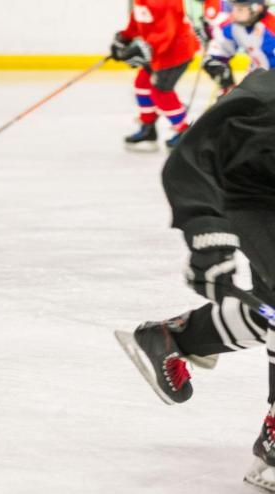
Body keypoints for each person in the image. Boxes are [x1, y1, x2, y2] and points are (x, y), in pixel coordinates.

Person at [114, 68, 275, 491]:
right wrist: (209, 238)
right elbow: (190, 159)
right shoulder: (265, 100)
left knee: (268, 312)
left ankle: (176, 338)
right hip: (248, 195)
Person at [110, 0, 199, 151]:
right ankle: (148, 127)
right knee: (142, 83)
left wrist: (143, 50)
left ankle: (183, 130)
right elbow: (140, 17)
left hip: (176, 51)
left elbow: (166, 32)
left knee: (161, 90)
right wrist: (125, 37)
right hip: (157, 51)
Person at [202, 0, 275, 97]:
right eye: (233, 7)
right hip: (256, 82)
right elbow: (221, 51)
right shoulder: (234, 27)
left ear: (258, 8)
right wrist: (218, 68)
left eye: (240, 9)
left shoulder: (271, 30)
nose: (233, 13)